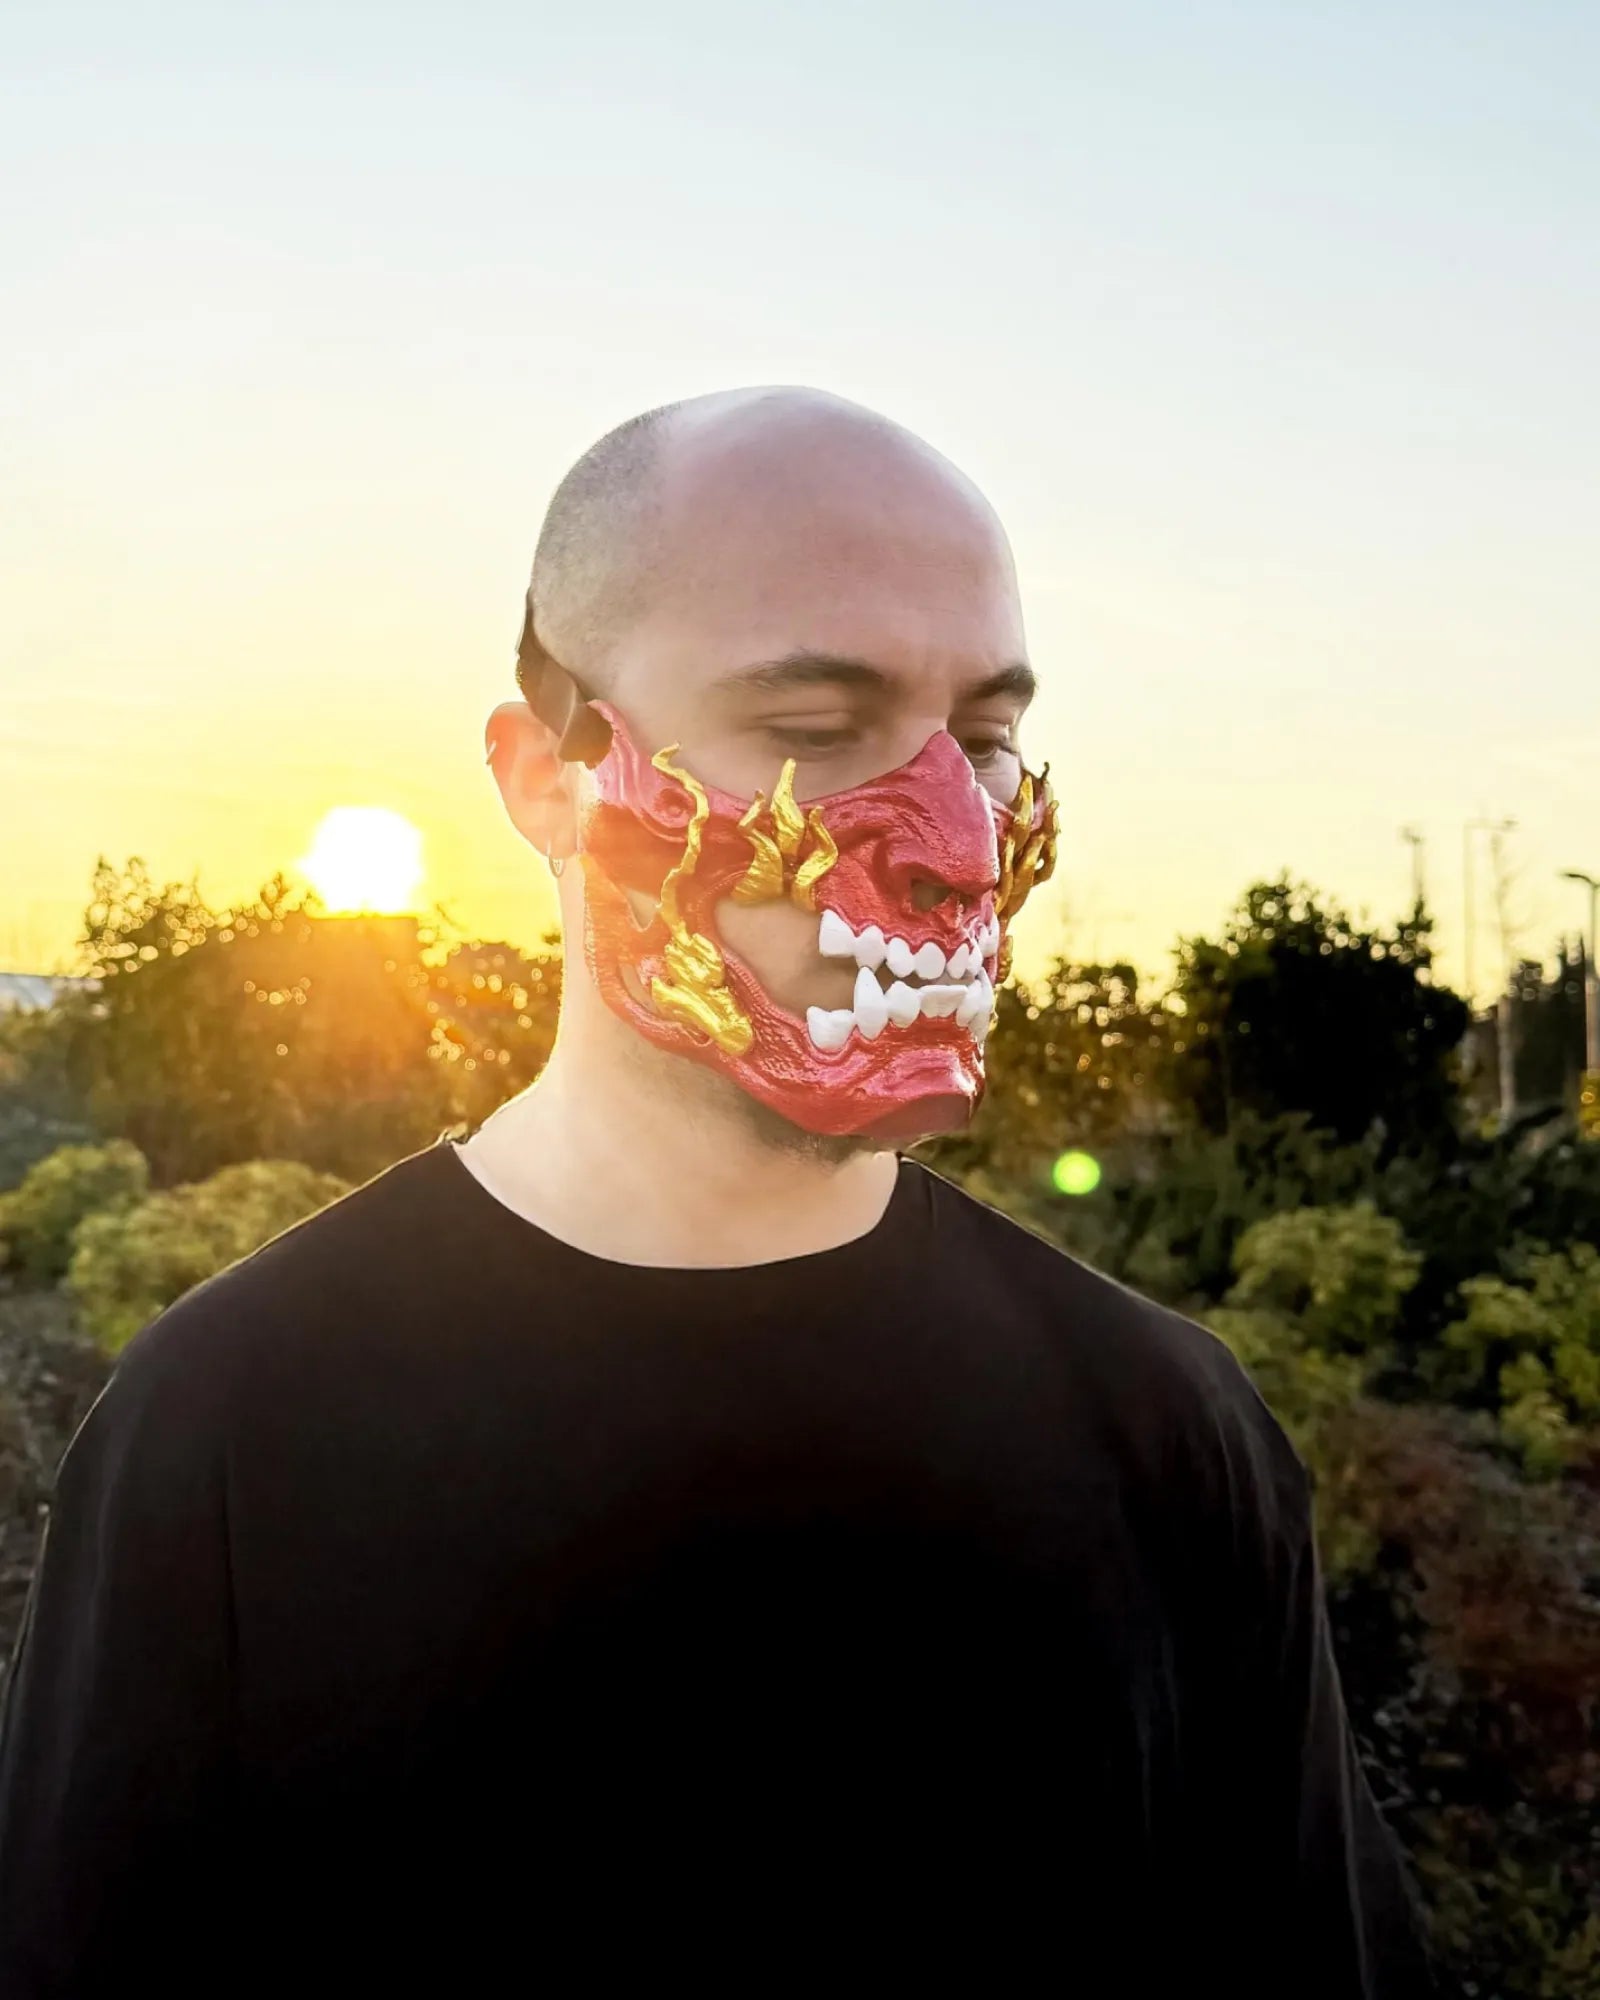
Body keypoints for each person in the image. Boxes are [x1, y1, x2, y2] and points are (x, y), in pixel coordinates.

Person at [0, 388, 1434, 1995]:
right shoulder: (220, 1437)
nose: (960, 846)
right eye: (816, 733)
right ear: (550, 777)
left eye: (989, 740)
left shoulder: (1171, 1432)